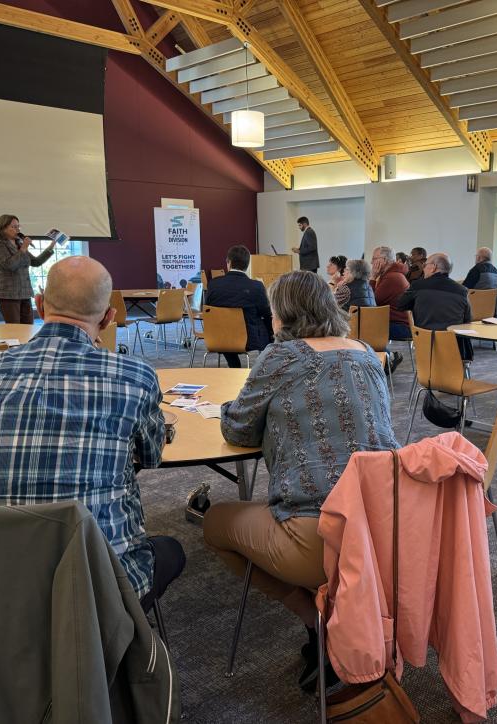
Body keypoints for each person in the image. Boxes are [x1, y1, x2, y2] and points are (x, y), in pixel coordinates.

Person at [0, 256, 186, 611]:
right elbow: (150, 457)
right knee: (172, 550)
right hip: (96, 589)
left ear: (40, 304)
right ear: (108, 318)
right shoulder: (135, 377)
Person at [203, 270, 397, 690]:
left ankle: (318, 622)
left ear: (283, 315)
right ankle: (341, 615)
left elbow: (237, 430)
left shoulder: (282, 357)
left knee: (214, 524)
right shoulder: (366, 353)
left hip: (320, 534)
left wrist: (226, 407)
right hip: (387, 528)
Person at [206, 244, 273, 368]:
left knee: (226, 325)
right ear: (247, 265)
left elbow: (209, 310)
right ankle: (265, 367)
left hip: (219, 338)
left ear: (228, 262)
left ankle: (234, 364)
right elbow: (266, 313)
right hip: (249, 340)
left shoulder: (213, 285)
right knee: (267, 324)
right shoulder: (256, 286)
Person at [397, 252, 473, 360]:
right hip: (455, 350)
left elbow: (400, 305)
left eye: (425, 265)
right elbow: (468, 320)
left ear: (433, 267)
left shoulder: (418, 286)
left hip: (427, 346)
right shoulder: (462, 290)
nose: (423, 269)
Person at [0, 214, 57, 324]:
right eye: (13, 227)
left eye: (18, 226)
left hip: (24, 292)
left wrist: (51, 246)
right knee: (15, 329)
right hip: (8, 294)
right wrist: (24, 248)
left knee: (28, 328)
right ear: (2, 228)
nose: (17, 229)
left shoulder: (19, 243)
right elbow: (10, 265)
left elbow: (36, 262)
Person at [370, 245, 411, 368]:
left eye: (374, 258)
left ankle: (388, 359)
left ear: (383, 260)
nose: (371, 262)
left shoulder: (392, 278)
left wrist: (372, 278)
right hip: (396, 323)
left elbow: (371, 303)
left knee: (365, 329)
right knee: (367, 326)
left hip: (401, 327)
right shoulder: (391, 275)